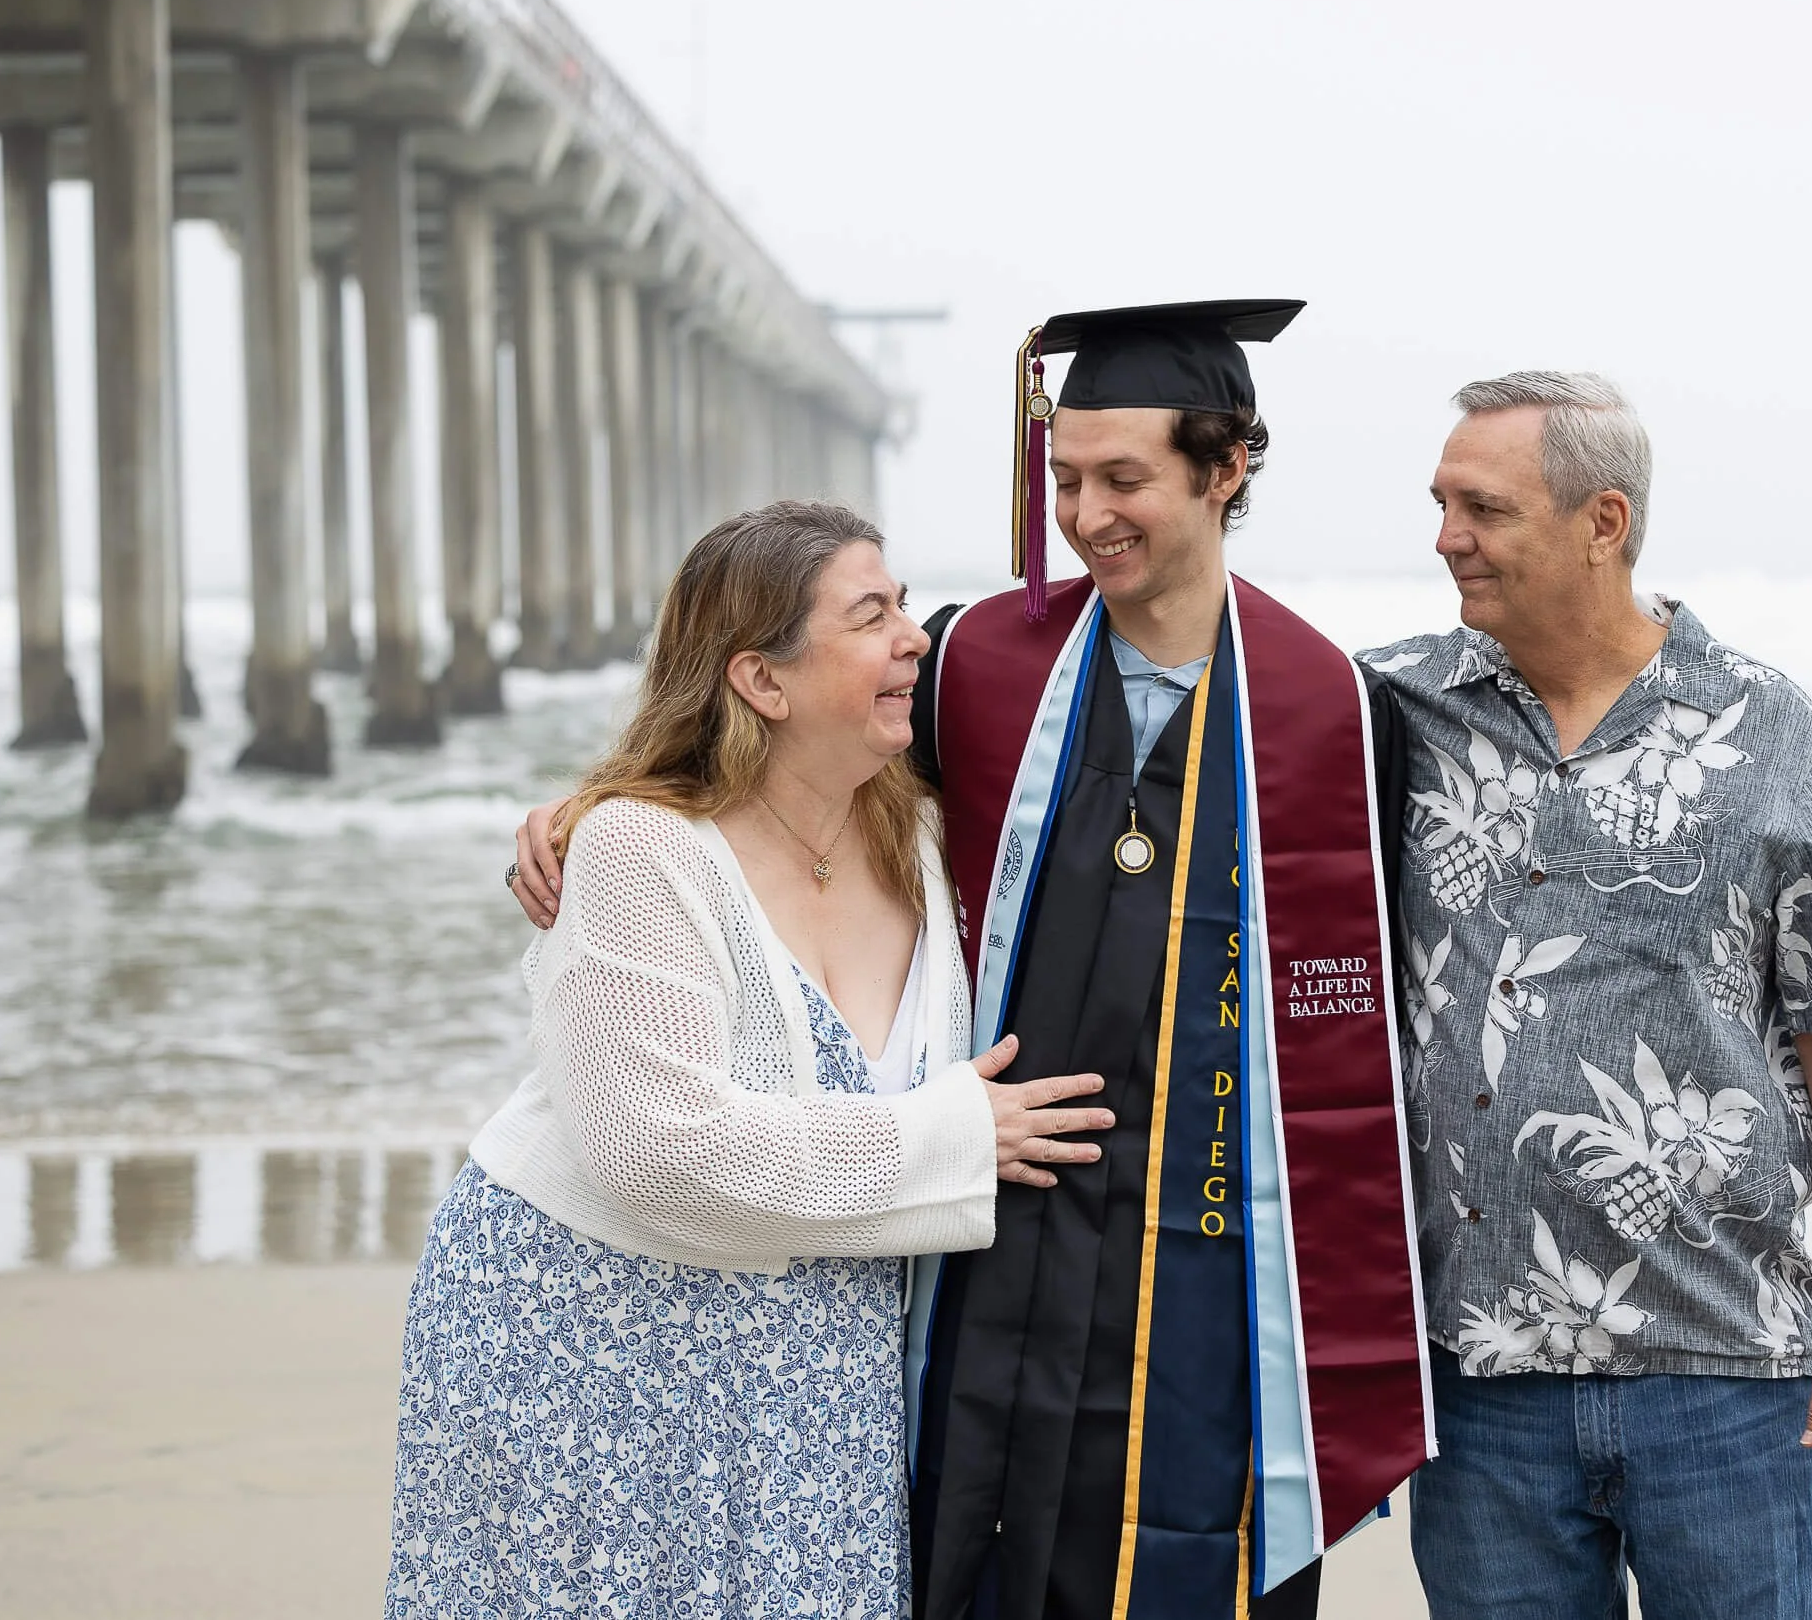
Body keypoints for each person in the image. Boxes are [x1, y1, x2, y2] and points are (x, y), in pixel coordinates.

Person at [513, 303, 1435, 1620]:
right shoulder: (974, 669)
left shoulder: (1336, 714)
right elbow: (772, 749)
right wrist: (588, 809)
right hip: (985, 1239)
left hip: (1208, 1263)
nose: (1086, 512)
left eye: (1125, 479)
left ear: (1224, 470)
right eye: (1066, 478)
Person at [397, 503, 1114, 1620]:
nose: (915, 639)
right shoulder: (639, 847)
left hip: (811, 1368)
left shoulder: (930, 838)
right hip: (583, 1333)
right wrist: (961, 1134)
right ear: (761, 681)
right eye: (870, 615)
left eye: (905, 607)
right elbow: (659, 1151)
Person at [1361, 373, 1812, 1620]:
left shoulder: (1767, 728)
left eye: (1484, 507)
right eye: (1442, 502)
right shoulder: (1386, 710)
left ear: (1602, 522)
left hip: (1727, 1370)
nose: (1447, 534)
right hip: (1478, 1376)